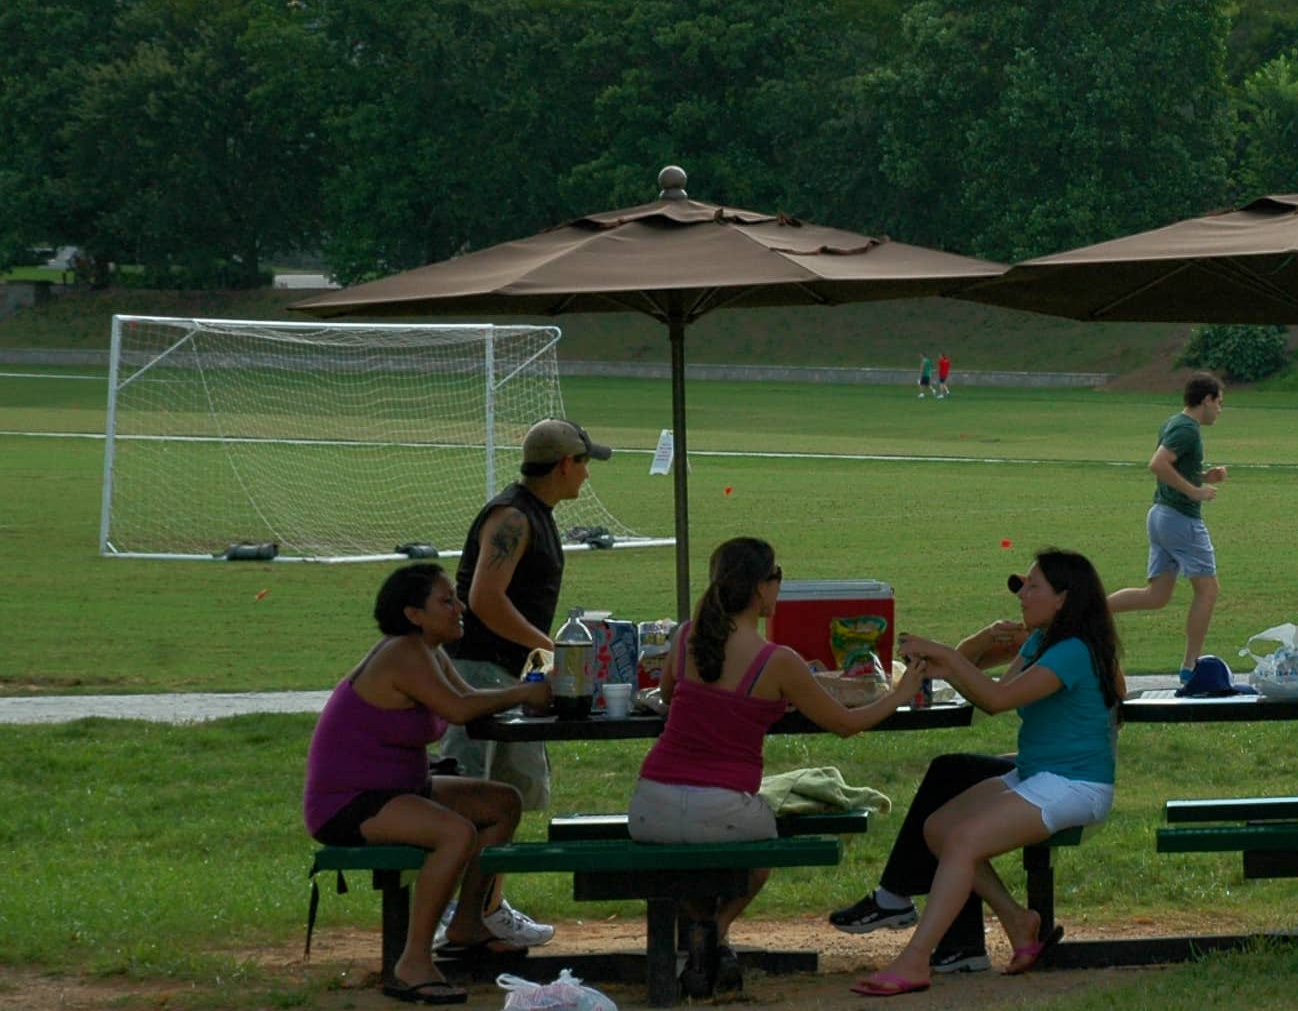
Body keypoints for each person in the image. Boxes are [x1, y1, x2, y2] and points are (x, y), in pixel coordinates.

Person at [634, 537, 922, 989]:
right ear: (762, 589)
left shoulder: (687, 634)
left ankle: (699, 931)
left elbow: (670, 696)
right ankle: (718, 929)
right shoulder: (778, 661)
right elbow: (846, 724)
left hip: (650, 805)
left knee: (695, 853)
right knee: (761, 848)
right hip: (724, 809)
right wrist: (901, 695)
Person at [855, 552, 1127, 992]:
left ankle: (916, 960)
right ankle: (1019, 921)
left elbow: (1000, 702)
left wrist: (947, 656)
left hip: (1077, 784)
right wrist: (950, 665)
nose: (1023, 595)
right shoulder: (1041, 641)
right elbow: (995, 691)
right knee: (940, 829)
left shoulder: (1074, 650)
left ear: (1063, 598)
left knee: (962, 840)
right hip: (1041, 773)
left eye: (1033, 586)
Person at [307, 564, 551, 1004]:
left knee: (503, 803)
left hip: (402, 789)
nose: (460, 608)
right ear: (413, 614)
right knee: (454, 834)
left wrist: (529, 695)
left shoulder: (430, 651)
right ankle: (413, 961)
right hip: (351, 801)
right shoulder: (403, 652)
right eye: (447, 601)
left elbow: (469, 705)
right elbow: (458, 708)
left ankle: (467, 924)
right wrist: (523, 692)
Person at [438, 416, 609, 950]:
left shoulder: (537, 513)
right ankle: (447, 918)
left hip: (508, 675)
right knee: (467, 801)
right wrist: (552, 647)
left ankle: (485, 909)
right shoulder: (512, 516)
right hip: (479, 673)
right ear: (564, 464)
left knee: (509, 797)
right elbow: (485, 599)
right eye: (584, 463)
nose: (587, 475)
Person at [1109, 375, 1225, 680]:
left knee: (1156, 596)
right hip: (1179, 518)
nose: (1220, 410)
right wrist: (1195, 492)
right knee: (1208, 589)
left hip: (1160, 515)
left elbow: (1176, 467)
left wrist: (1203, 476)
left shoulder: (1175, 422)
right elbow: (1158, 464)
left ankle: (1091, 610)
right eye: (1219, 402)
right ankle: (1190, 667)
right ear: (1206, 400)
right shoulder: (1187, 429)